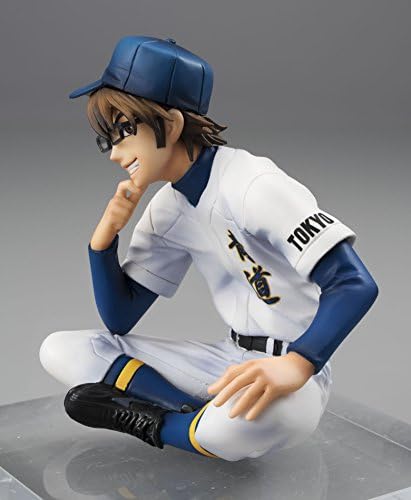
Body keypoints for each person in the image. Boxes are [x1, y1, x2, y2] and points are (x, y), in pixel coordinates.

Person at [39, 35, 379, 461]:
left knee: (240, 427)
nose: (115, 153)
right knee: (62, 349)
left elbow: (353, 283)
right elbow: (119, 319)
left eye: (124, 130)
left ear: (171, 125)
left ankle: (163, 424)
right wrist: (103, 241)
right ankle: (192, 418)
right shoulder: (167, 208)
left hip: (296, 372)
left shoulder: (254, 185)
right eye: (109, 137)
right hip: (225, 359)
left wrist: (298, 364)